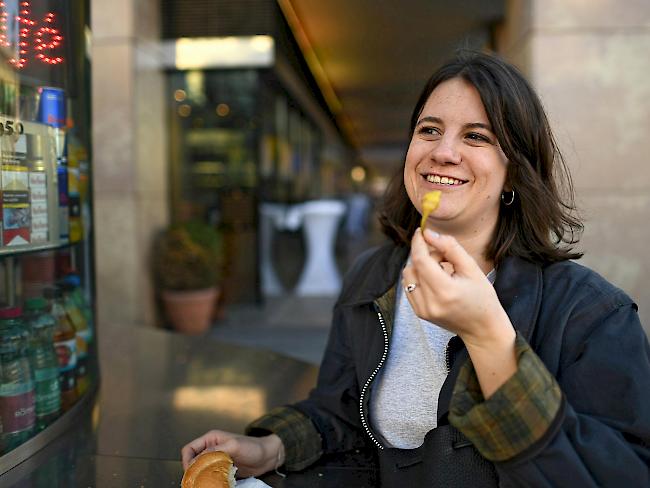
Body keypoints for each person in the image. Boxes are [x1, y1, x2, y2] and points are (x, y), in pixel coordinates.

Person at [181, 50, 650, 486]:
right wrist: (269, 447)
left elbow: (621, 474)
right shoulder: (375, 275)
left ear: (514, 173)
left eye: (476, 136)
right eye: (429, 130)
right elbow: (343, 413)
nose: (443, 151)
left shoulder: (591, 313)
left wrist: (487, 336)